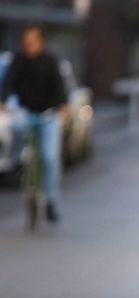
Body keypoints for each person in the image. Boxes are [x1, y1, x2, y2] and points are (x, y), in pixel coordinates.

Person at [0, 25, 69, 222]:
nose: (28, 47)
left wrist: (63, 105)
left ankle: (51, 202)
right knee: (15, 126)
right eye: (25, 44)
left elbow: (59, 85)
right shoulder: (18, 61)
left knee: (50, 158)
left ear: (40, 42)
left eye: (32, 43)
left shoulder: (50, 61)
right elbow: (8, 82)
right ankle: (16, 161)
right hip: (25, 111)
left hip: (47, 114)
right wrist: (4, 100)